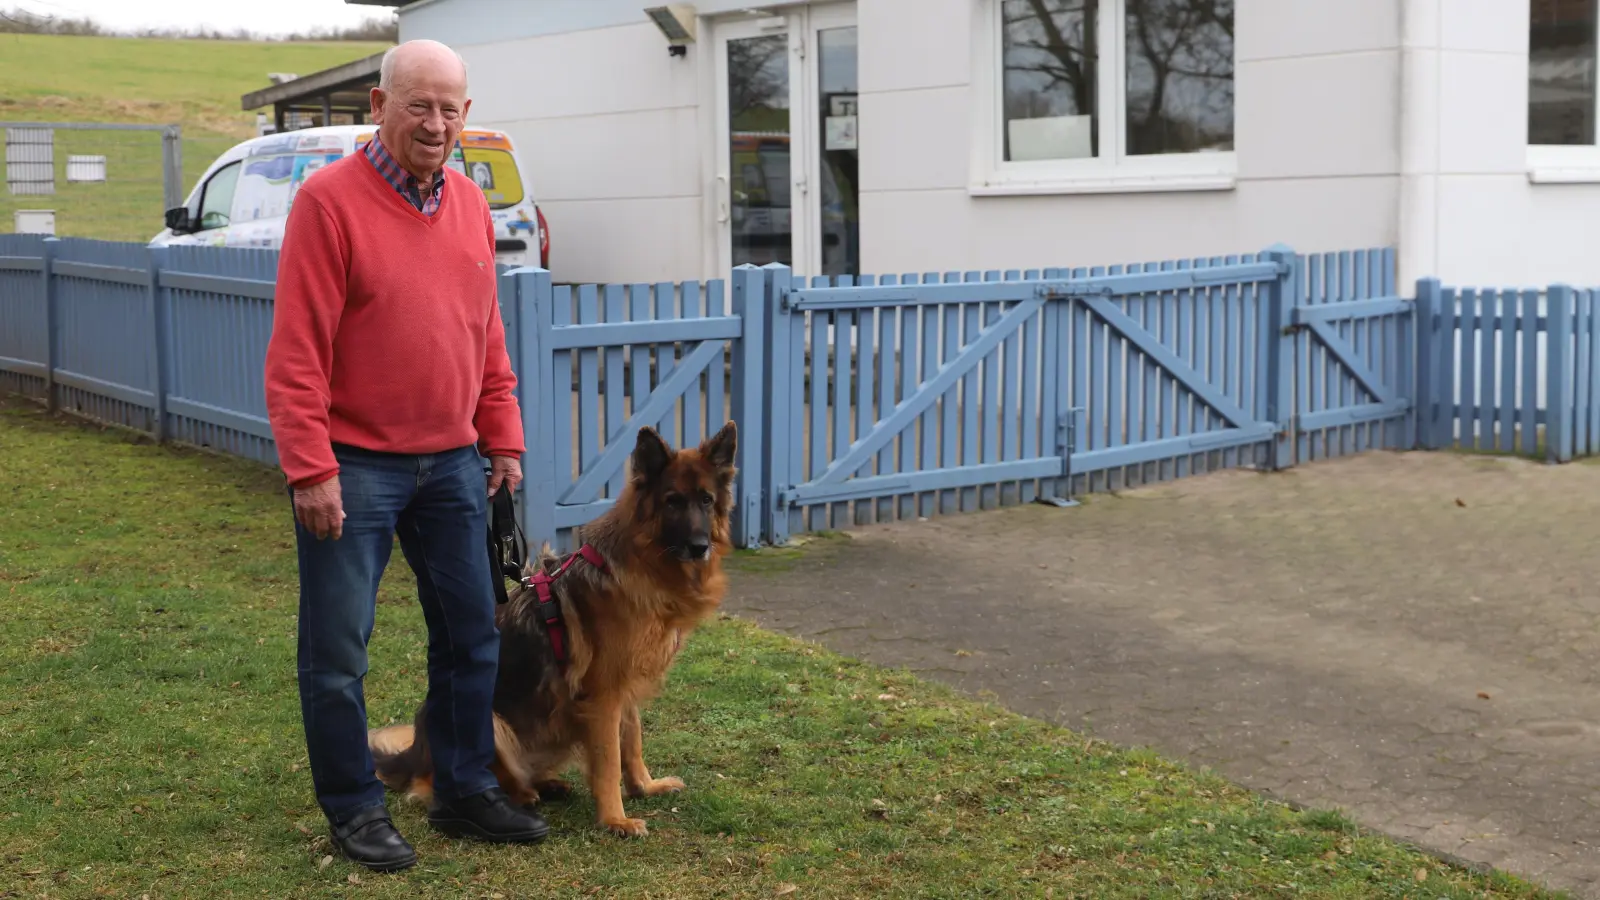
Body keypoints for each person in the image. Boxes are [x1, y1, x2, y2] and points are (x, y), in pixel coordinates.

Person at [264, 39, 546, 873]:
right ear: (379, 108)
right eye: (417, 105)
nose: (435, 122)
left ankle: (462, 790)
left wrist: (503, 433)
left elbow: (484, 332)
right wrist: (310, 467)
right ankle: (353, 808)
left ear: (466, 113)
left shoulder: (467, 202)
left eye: (449, 107)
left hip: (455, 462)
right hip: (355, 465)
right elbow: (296, 353)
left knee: (472, 637)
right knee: (338, 651)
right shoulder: (328, 203)